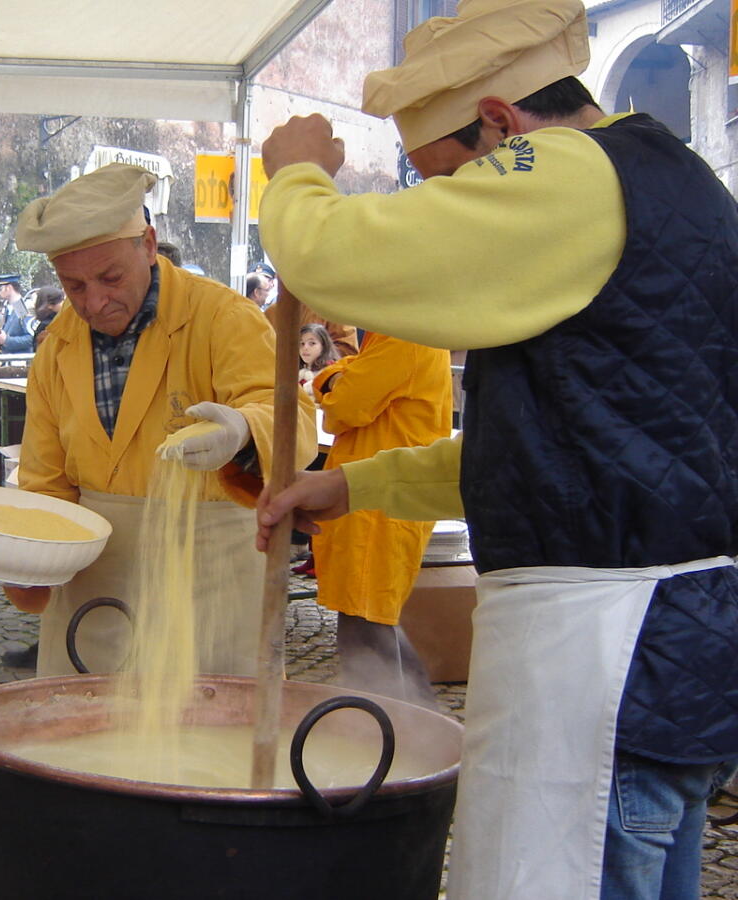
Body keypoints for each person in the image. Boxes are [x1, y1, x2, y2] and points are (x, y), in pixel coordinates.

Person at [254, 1, 738, 897]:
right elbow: (565, 439)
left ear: (505, 125)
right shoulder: (677, 184)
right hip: (667, 649)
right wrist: (356, 485)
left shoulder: (569, 175)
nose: (446, 204)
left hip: (603, 661)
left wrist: (295, 178)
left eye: (447, 178)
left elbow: (328, 259)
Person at [6, 162, 316, 677]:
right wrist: (30, 553)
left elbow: (292, 417)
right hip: (95, 579)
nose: (94, 302)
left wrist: (242, 431)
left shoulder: (221, 316)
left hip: (211, 570)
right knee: (81, 739)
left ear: (149, 245)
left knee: (212, 740)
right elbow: (46, 479)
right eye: (74, 285)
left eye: (109, 278)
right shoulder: (58, 345)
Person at [310, 331, 451, 701]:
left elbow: (343, 408)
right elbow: (338, 377)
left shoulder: (403, 337)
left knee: (366, 622)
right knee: (366, 617)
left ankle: (397, 726)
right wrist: (334, 377)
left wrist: (332, 379)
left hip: (377, 507)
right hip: (374, 499)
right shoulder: (395, 336)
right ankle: (405, 723)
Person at [0, 274, 34, 353]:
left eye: (0, 289)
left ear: (9, 288)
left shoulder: (20, 307)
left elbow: (31, 339)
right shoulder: (8, 307)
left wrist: (6, 340)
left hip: (20, 361)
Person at [297, 322, 337, 400]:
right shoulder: (295, 369)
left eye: (312, 343)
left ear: (324, 346)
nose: (305, 348)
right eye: (302, 343)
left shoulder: (331, 372)